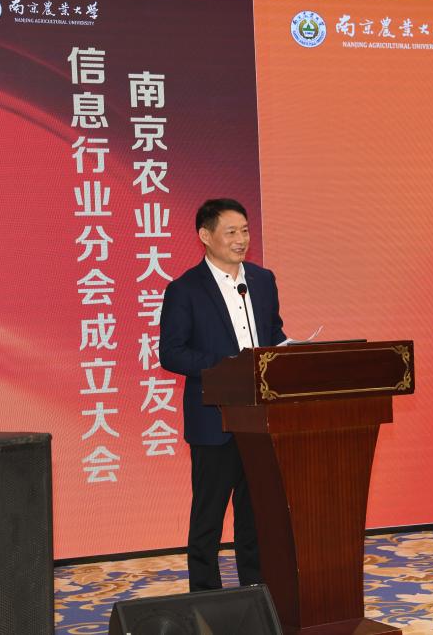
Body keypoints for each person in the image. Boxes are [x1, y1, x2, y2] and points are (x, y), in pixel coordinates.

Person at [159, 197, 287, 591]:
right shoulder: (185, 289)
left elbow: (274, 334)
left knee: (257, 515)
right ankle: (205, 597)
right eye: (231, 232)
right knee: (208, 518)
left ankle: (256, 591)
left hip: (261, 419)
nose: (241, 240)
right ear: (205, 235)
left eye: (245, 231)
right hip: (214, 420)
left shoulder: (262, 281)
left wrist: (288, 352)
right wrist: (228, 364)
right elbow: (172, 353)